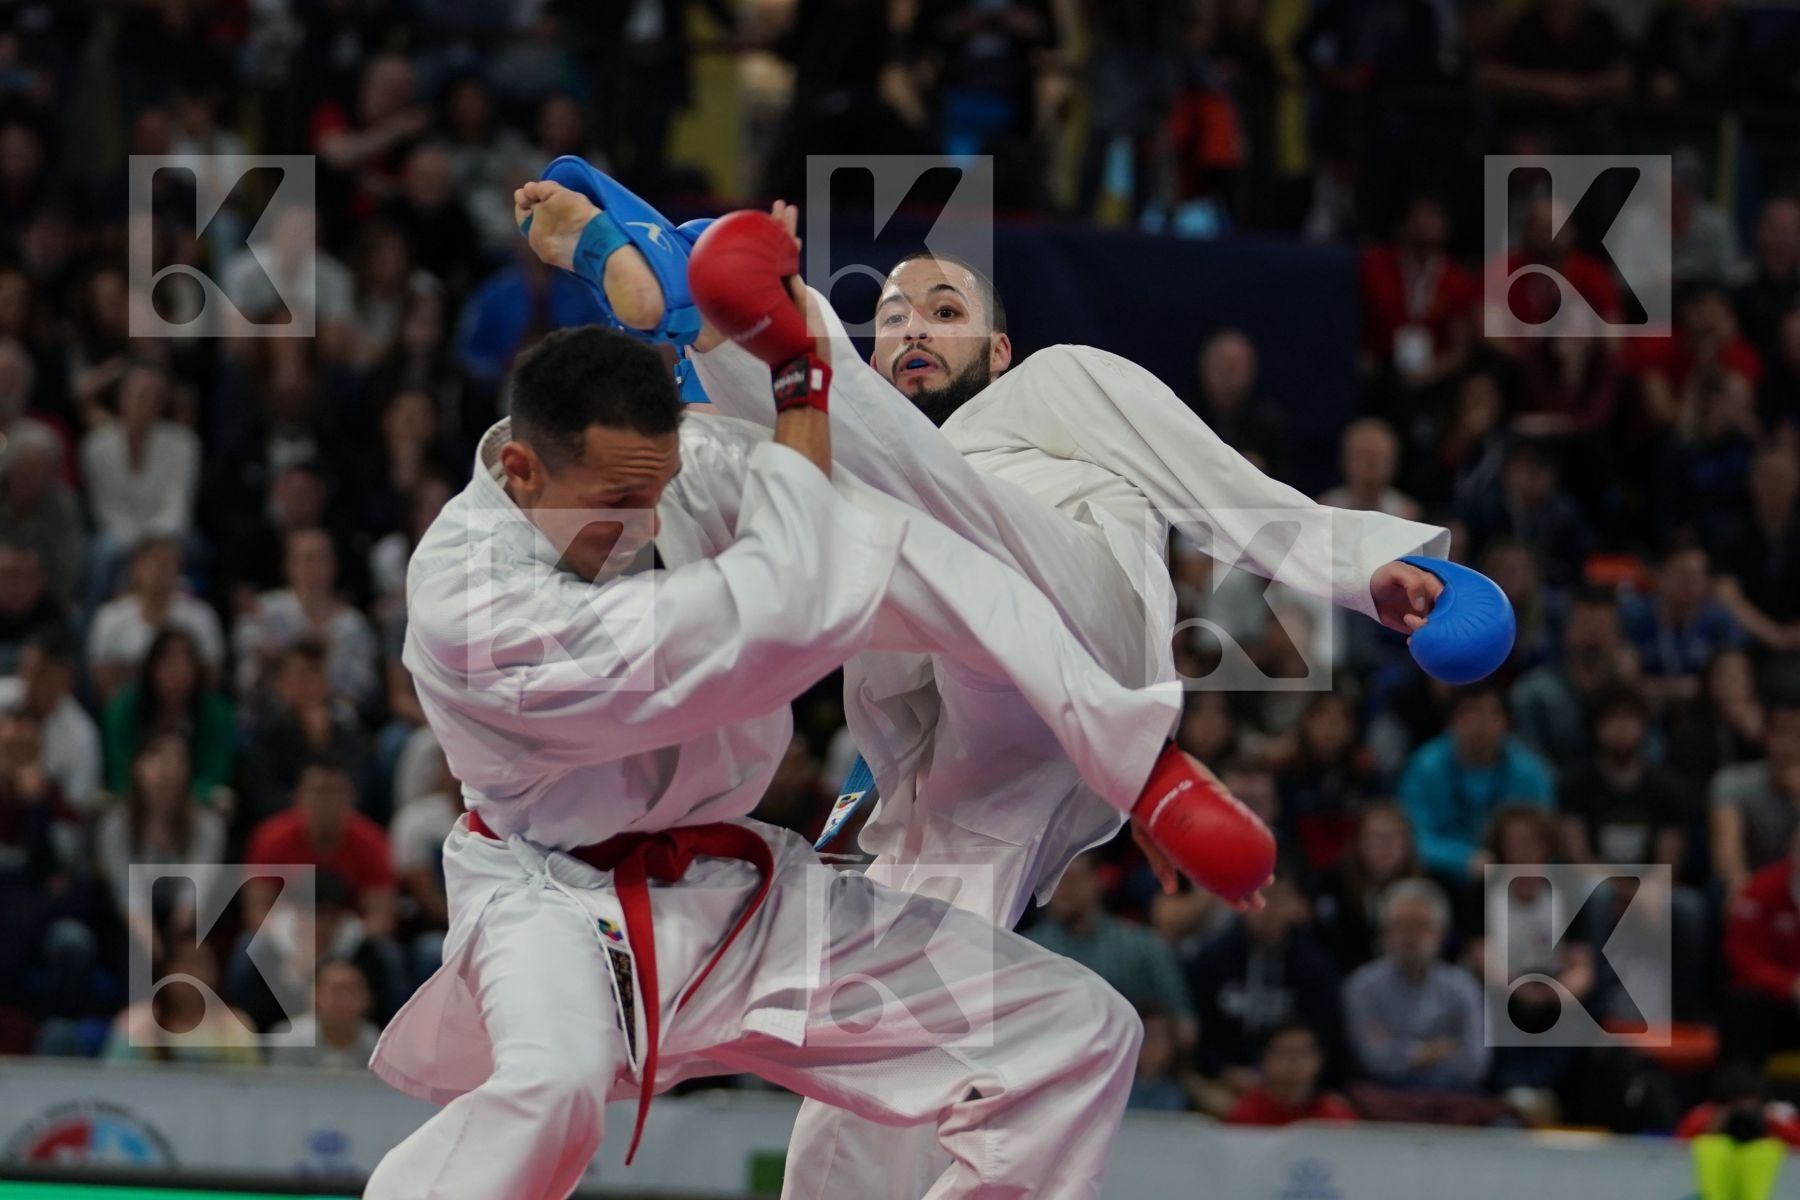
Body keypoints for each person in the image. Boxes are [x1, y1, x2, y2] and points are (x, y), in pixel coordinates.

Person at [534, 174, 1461, 1194]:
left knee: (870, 469)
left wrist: (1364, 574)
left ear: (999, 349)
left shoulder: (1058, 388)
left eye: (945, 312)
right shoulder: (868, 456)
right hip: (964, 758)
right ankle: (698, 325)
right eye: (891, 317)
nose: (917, 328)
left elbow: (1222, 492)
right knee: (871, 1060)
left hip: (1075, 607)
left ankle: (702, 314)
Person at [363, 311, 1257, 1199]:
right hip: (553, 904)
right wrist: (798, 387)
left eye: (658, 489)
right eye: (613, 506)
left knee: (1078, 1033)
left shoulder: (684, 472)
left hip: (745, 902)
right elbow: (764, 613)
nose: (644, 522)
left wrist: (1141, 770)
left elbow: (945, 571)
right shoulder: (472, 602)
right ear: (520, 471)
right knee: (553, 1086)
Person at [1342, 879, 1495, 1122]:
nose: (1409, 937)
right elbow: (1373, 1059)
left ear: (1440, 933)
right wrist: (1434, 1050)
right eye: (1399, 926)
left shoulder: (1463, 988)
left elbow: (1474, 1064)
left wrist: (1398, 1049)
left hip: (1452, 1103)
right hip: (1382, 1105)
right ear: (1384, 932)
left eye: (1419, 926)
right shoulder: (1363, 987)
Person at [1398, 684, 1556, 881]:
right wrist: (1463, 860)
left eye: (1491, 714)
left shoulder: (1530, 772)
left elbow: (1545, 837)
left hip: (1515, 874)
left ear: (1506, 722)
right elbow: (1413, 837)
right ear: (1452, 721)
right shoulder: (1424, 768)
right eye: (1470, 713)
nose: (1481, 724)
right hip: (1442, 877)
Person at [1222, 1024, 1359, 1127]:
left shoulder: (1335, 1115)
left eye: (1302, 1052)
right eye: (1285, 1052)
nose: (1294, 1061)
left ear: (1319, 1059)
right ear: (1265, 1059)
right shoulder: (1245, 1113)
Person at [267, 958, 381, 1072]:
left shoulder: (377, 1045)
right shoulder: (289, 1042)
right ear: (315, 996)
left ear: (367, 998)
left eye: (352, 991)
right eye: (337, 991)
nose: (344, 1000)